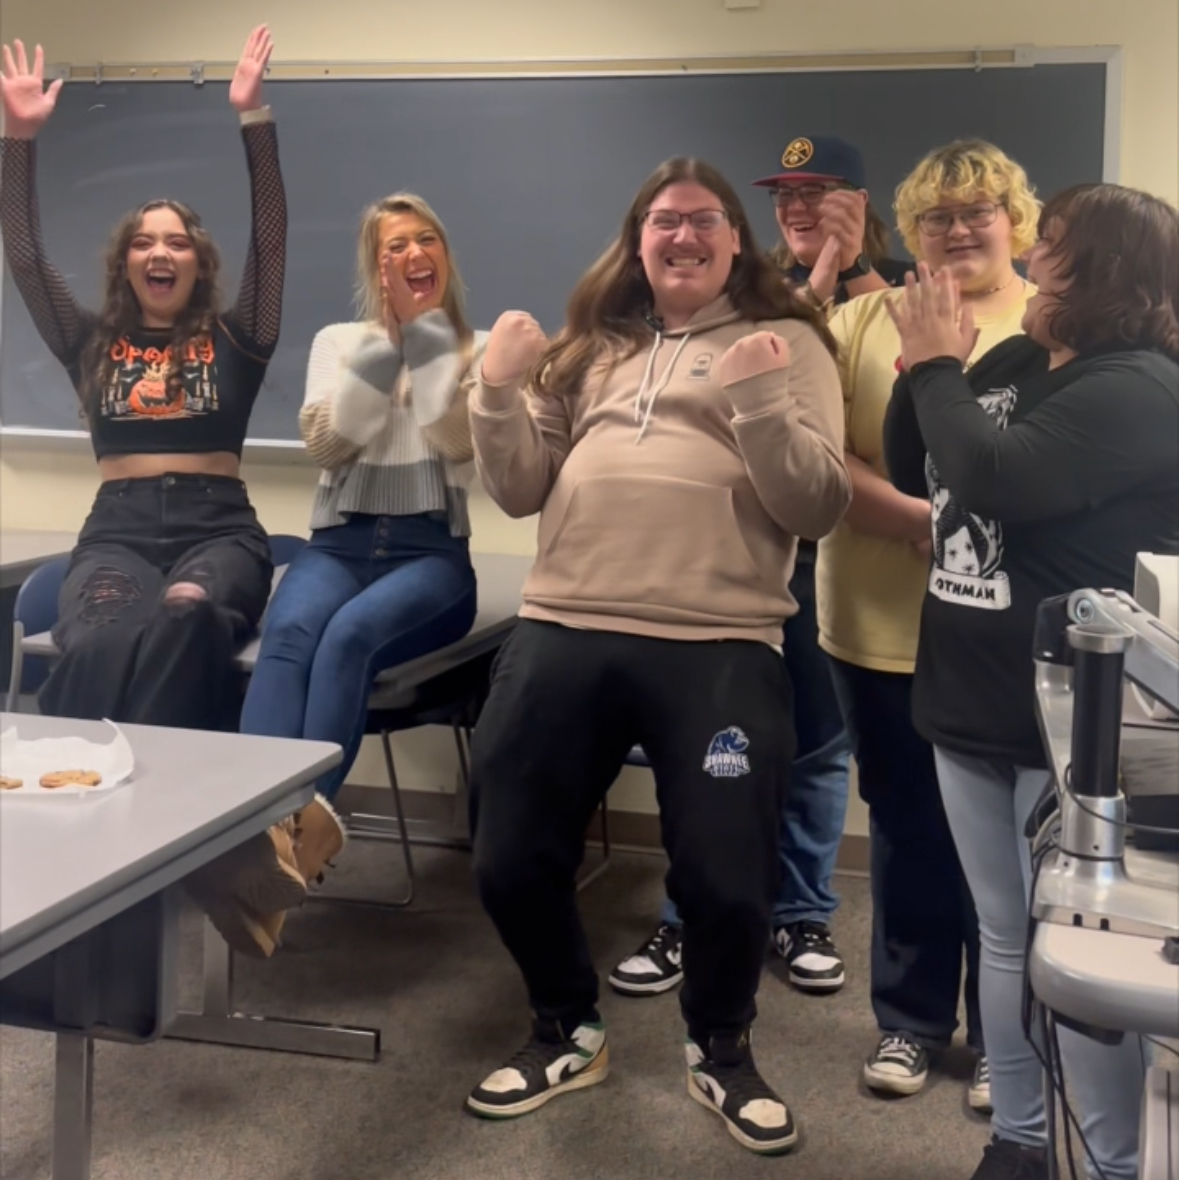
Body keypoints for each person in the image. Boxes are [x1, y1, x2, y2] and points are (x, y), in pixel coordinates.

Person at [464, 157, 850, 1155]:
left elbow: (818, 504)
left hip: (718, 639)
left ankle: (721, 1047)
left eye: (703, 220)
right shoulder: (591, 344)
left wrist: (760, 398)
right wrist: (496, 391)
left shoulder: (790, 340)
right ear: (638, 238)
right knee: (508, 851)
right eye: (662, 220)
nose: (682, 236)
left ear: (736, 240)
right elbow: (519, 487)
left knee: (727, 876)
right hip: (565, 620)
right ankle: (565, 1028)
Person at [883, 184, 1179, 1180]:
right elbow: (920, 459)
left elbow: (1000, 474)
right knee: (1006, 939)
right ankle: (1018, 1137)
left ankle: (1112, 1161)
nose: (1031, 257)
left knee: (1081, 963)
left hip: (1068, 724)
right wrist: (919, 367)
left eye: (1050, 243)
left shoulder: (1141, 384)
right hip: (966, 695)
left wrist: (935, 366)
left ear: (1096, 268)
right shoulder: (1010, 359)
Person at [0, 30, 300, 954]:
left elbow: (275, 233)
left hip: (219, 533)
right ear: (127, 262)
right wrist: (18, 142)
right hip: (117, 532)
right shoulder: (88, 342)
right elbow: (21, 251)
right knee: (95, 636)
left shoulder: (238, 338)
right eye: (144, 241)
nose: (160, 251)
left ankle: (159, 846)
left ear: (195, 261)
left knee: (184, 615)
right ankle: (105, 842)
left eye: (176, 240)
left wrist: (254, 117)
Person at [609, 135, 912, 1000]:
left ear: (860, 199)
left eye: (818, 193)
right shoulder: (745, 283)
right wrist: (807, 290)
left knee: (816, 746)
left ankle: (803, 911)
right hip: (736, 558)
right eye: (785, 196)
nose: (798, 210)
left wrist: (843, 278)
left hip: (842, 558)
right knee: (705, 749)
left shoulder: (904, 289)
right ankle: (683, 919)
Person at [817, 139, 1041, 1107]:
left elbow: (1046, 469)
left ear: (1015, 221)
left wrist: (961, 522)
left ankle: (1006, 1038)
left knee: (1017, 848)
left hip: (1005, 637)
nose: (958, 230)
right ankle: (909, 1023)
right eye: (938, 216)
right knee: (907, 828)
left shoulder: (1053, 324)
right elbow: (826, 456)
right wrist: (922, 519)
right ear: (909, 230)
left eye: (978, 210)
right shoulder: (858, 322)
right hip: (880, 620)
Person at [237, 193, 483, 925]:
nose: (414, 254)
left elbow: (455, 439)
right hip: (339, 544)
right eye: (395, 245)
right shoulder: (339, 342)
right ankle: (246, 833)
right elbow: (327, 445)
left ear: (444, 255)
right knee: (287, 637)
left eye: (427, 239)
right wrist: (384, 346)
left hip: (429, 556)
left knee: (348, 638)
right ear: (375, 265)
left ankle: (289, 843)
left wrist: (427, 340)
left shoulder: (482, 343)